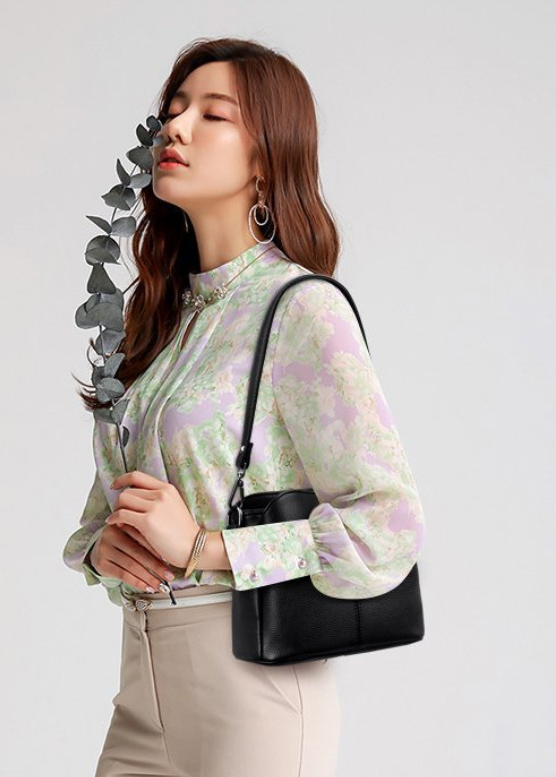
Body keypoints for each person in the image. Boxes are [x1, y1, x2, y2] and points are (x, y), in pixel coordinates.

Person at [62, 36, 426, 777]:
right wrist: (103, 549)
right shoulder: (154, 324)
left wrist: (204, 547)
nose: (176, 126)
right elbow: (106, 512)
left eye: (212, 114)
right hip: (141, 688)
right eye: (173, 109)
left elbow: (388, 525)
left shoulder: (300, 309)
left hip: (252, 686)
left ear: (266, 156)